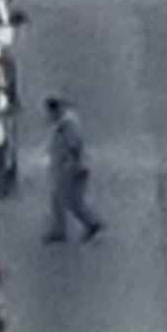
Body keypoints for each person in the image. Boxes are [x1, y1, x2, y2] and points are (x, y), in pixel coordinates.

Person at [44, 95, 103, 240]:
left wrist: (76, 165)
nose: (49, 116)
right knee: (58, 199)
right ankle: (59, 230)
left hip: (70, 168)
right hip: (64, 167)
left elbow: (74, 146)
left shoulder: (67, 125)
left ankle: (92, 223)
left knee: (72, 201)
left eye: (50, 112)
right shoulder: (64, 122)